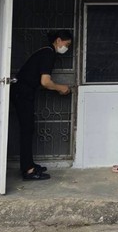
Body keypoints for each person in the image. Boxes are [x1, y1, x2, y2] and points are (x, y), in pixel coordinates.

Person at [11, 30, 73, 180]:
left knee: (28, 129)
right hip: (22, 94)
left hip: (22, 92)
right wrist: (61, 88)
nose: (66, 48)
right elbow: (45, 82)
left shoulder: (45, 52)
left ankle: (29, 164)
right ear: (58, 40)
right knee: (27, 130)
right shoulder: (48, 54)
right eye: (67, 44)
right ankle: (28, 170)